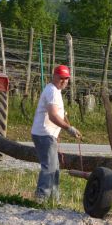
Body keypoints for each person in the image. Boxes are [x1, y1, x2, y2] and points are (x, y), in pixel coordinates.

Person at [31, 64, 82, 201]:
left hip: (48, 134)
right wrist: (68, 129)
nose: (64, 81)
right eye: (61, 78)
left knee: (55, 168)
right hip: (44, 134)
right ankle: (41, 199)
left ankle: (54, 199)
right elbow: (53, 116)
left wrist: (57, 133)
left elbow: (58, 114)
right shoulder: (52, 91)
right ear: (54, 76)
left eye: (66, 78)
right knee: (49, 167)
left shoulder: (55, 91)